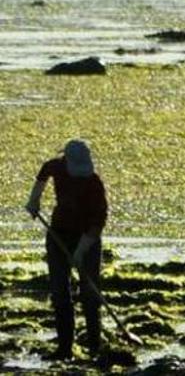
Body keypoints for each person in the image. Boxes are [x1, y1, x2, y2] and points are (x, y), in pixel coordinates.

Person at [24, 140, 109, 360]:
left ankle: (94, 349)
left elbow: (98, 223)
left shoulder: (94, 184)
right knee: (60, 293)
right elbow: (44, 171)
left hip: (87, 240)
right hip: (58, 235)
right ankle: (64, 350)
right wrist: (34, 200)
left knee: (90, 293)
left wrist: (80, 252)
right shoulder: (58, 167)